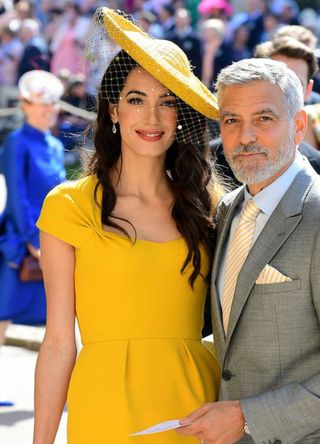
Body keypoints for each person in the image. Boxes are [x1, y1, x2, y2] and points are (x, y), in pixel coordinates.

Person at [33, 8, 221, 444]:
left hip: (197, 411)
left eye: (167, 101)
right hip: (107, 410)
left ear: (181, 116)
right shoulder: (69, 206)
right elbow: (60, 343)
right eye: (137, 99)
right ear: (113, 110)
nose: (151, 117)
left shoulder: (206, 205)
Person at [177, 58, 320, 443]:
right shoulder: (227, 209)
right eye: (231, 121)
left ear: (299, 126)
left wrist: (246, 417)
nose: (245, 137)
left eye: (264, 118)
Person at [0, 71, 65, 343]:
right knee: (4, 310)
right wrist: (31, 240)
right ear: (27, 106)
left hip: (52, 238)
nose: (52, 109)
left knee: (56, 314)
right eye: (44, 103)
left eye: (54, 103)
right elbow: (16, 194)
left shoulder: (56, 145)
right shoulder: (16, 142)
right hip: (21, 237)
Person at [253, 36, 320, 172]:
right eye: (275, 81)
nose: (284, 93)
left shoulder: (316, 166)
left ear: (308, 90)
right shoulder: (216, 158)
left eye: (295, 84)